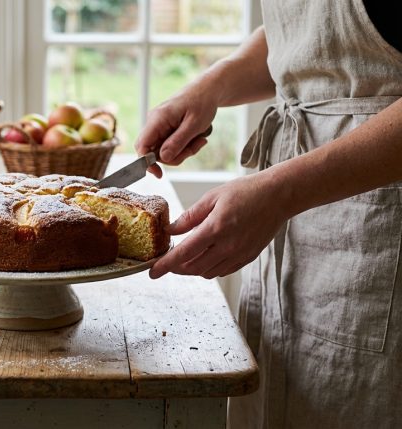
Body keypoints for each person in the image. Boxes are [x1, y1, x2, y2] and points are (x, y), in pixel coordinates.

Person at [135, 1, 402, 427]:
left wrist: (281, 192)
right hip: (294, 224)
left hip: (376, 237)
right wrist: (213, 85)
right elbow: (308, 36)